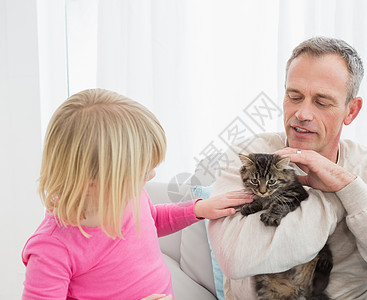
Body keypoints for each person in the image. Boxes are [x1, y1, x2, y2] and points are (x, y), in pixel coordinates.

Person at [207, 37, 367, 299]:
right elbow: (235, 259)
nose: (302, 113)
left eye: (321, 102)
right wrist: (330, 201)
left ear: (351, 111)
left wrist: (349, 188)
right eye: (294, 96)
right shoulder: (249, 157)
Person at [21, 89, 254, 299]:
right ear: (93, 183)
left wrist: (197, 209)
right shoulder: (52, 250)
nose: (151, 175)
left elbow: (150, 220)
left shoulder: (128, 196)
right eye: (140, 172)